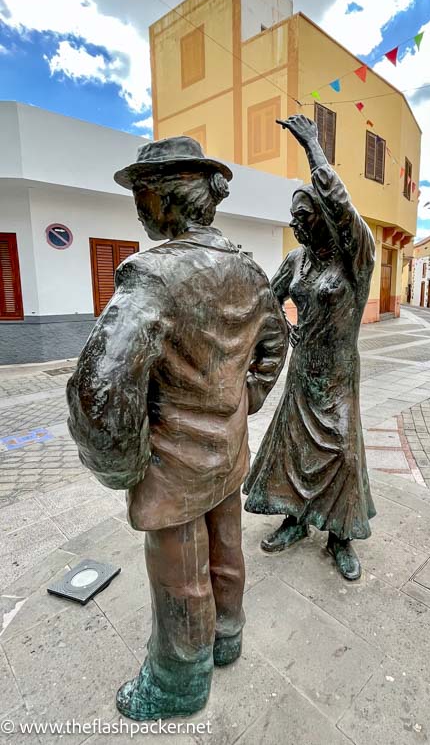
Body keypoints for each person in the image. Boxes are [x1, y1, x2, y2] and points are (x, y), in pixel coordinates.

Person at [66, 136, 288, 721]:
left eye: (142, 194)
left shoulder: (151, 276)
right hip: (228, 448)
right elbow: (274, 345)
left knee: (180, 575)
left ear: (167, 199)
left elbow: (100, 387)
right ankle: (228, 636)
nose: (137, 208)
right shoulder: (250, 270)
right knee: (227, 547)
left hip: (173, 463)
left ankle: (178, 681)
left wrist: (123, 466)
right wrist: (242, 402)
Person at [243, 114, 376, 581]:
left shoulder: (356, 258)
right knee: (293, 450)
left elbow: (342, 202)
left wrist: (313, 147)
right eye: (293, 220)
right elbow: (266, 299)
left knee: (343, 451)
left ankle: (340, 535)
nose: (297, 227)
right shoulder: (296, 261)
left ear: (324, 216)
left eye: (305, 217)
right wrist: (284, 325)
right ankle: (295, 519)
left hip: (339, 376)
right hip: (302, 374)